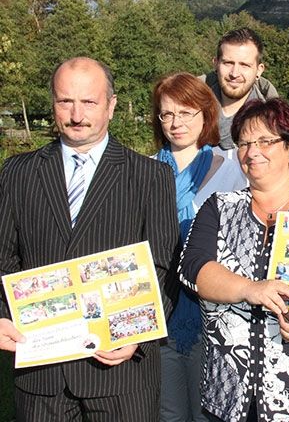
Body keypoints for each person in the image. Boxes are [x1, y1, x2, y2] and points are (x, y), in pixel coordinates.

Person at [0, 57, 179, 421]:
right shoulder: (17, 171)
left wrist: (138, 335)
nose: (76, 114)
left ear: (111, 106)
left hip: (122, 375)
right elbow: (3, 257)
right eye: (65, 101)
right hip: (41, 375)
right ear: (53, 104)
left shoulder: (151, 176)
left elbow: (163, 267)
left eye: (89, 102)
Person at [178, 98, 289, 422]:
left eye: (266, 141)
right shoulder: (219, 207)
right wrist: (250, 289)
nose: (253, 151)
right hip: (227, 393)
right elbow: (193, 268)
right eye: (244, 143)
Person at [152, 72, 247, 422]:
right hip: (161, 311)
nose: (176, 123)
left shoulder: (235, 168)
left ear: (205, 114)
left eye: (186, 112)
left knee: (213, 410)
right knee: (169, 411)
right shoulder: (143, 172)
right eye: (167, 114)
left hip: (217, 314)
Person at [199, 27, 278, 166]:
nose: (234, 73)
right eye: (228, 63)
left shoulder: (275, 124)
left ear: (259, 70)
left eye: (244, 65)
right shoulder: (187, 111)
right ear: (216, 64)